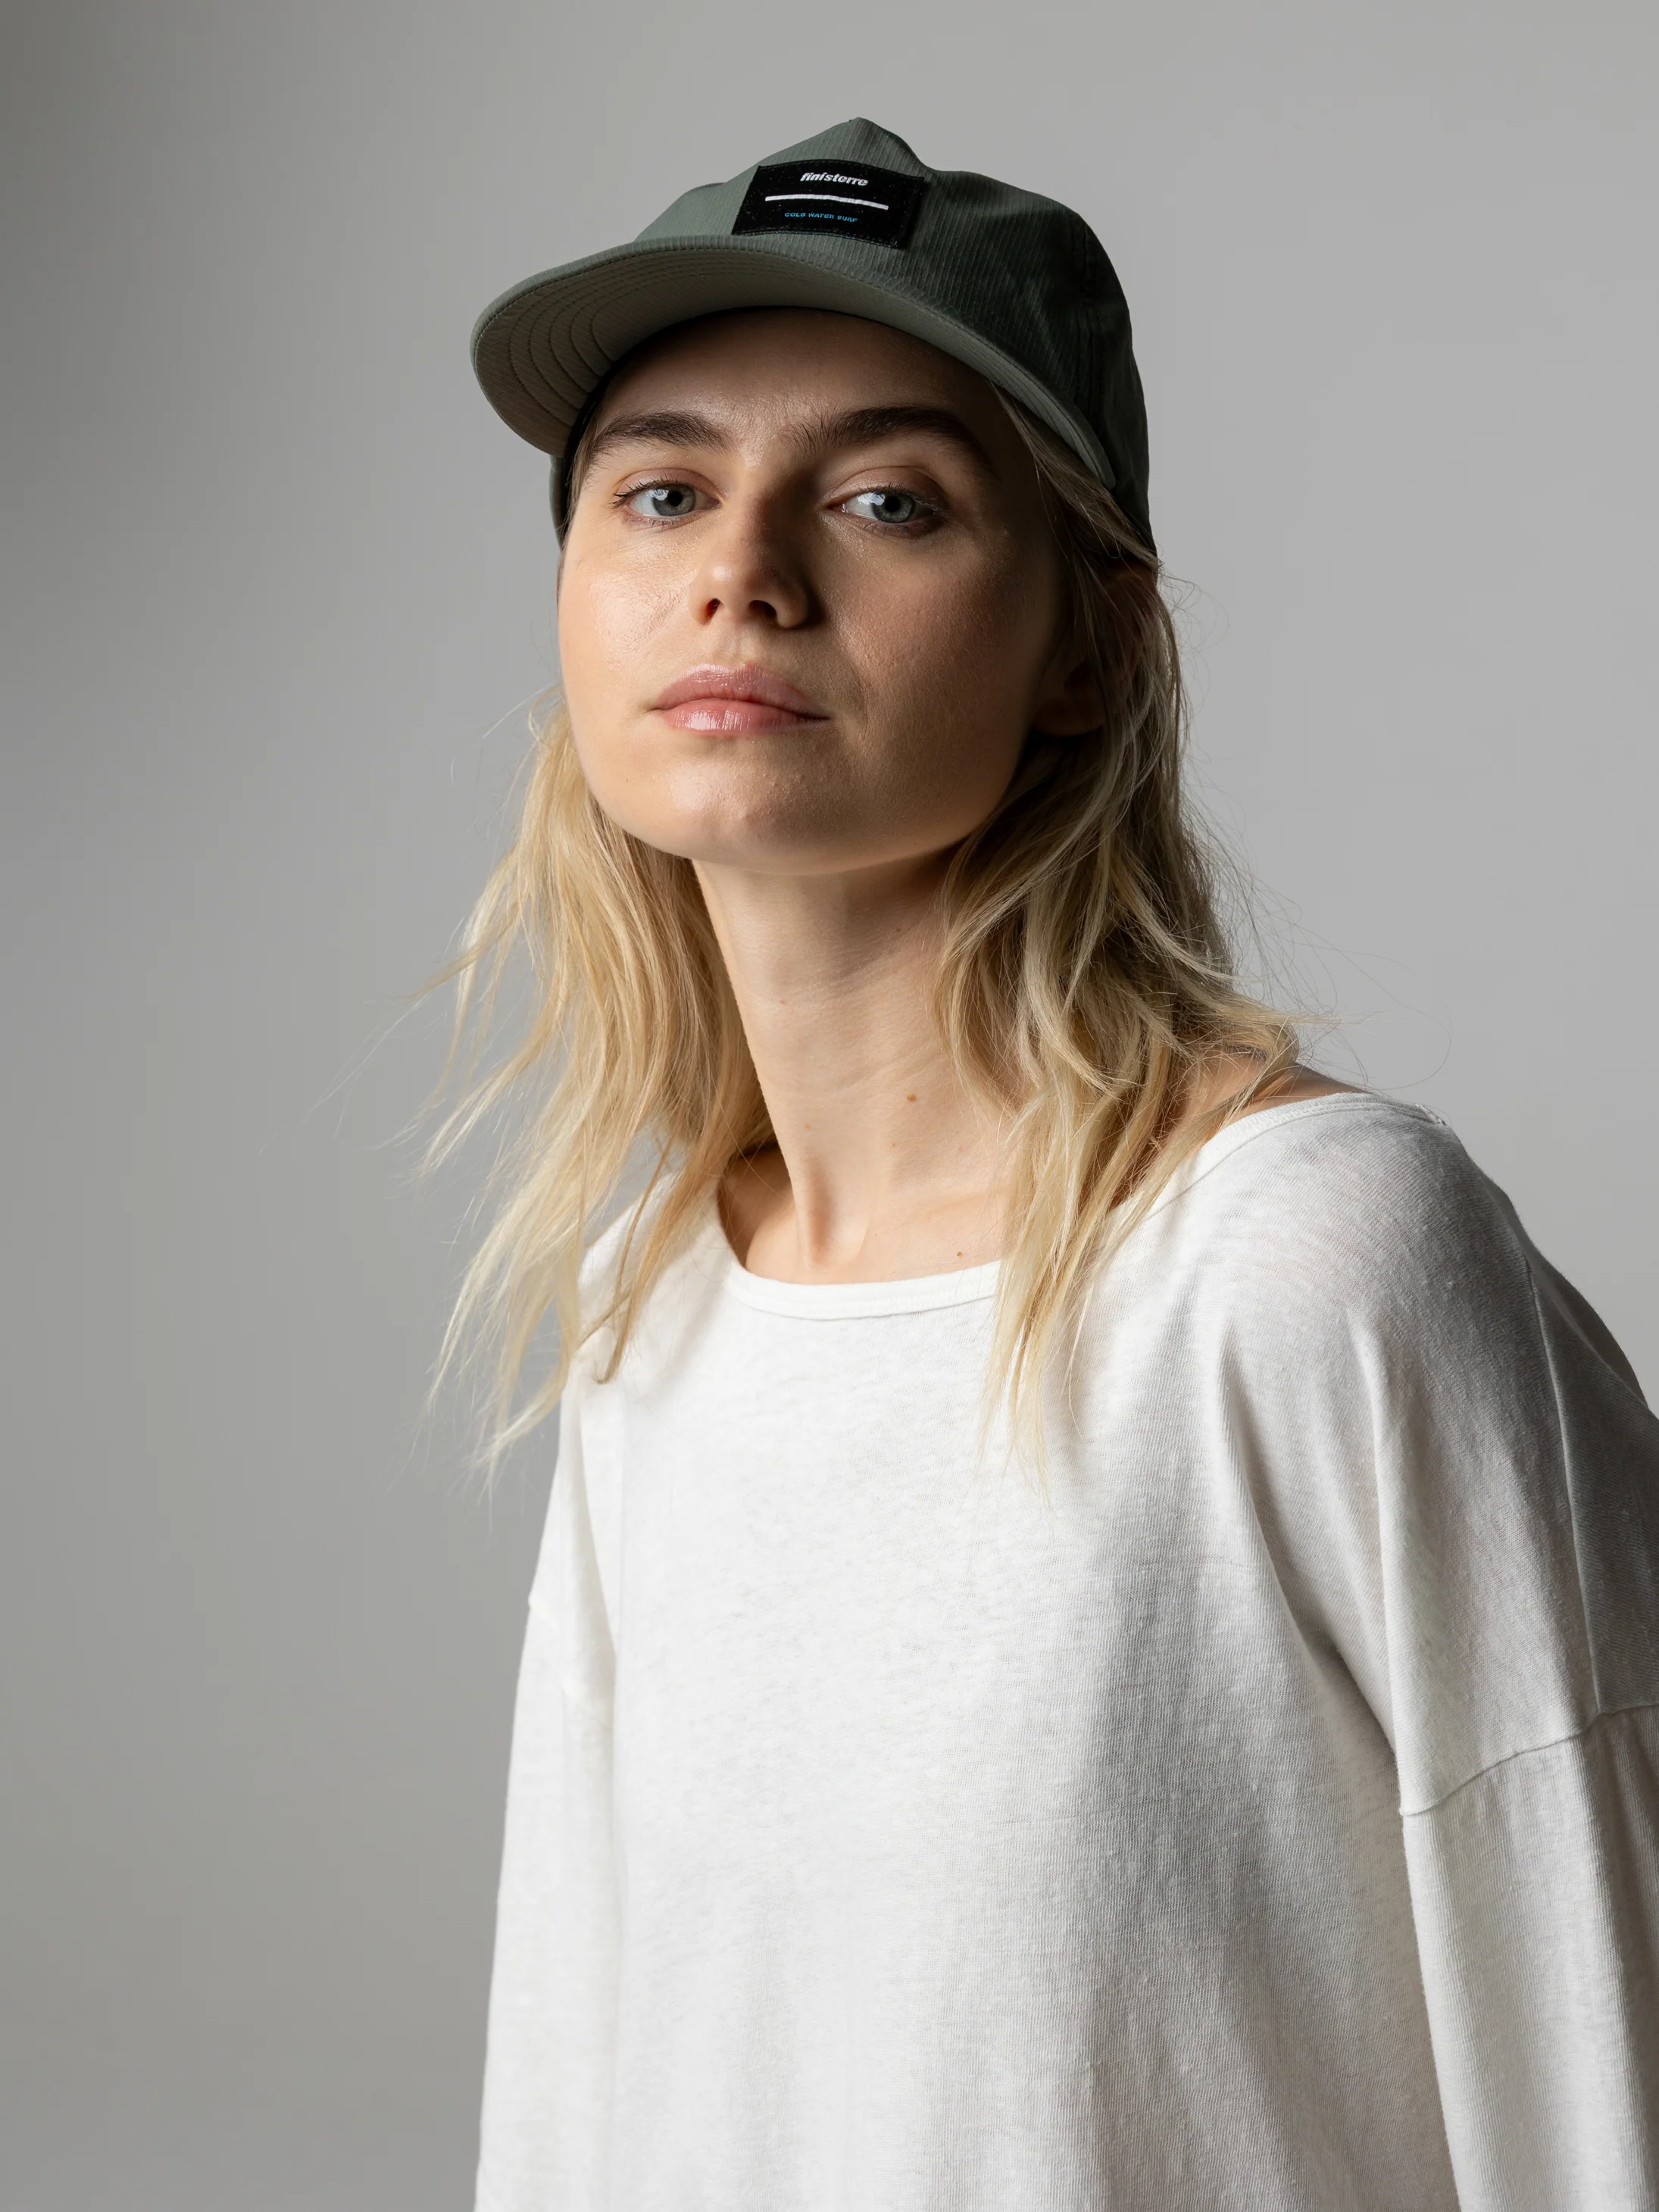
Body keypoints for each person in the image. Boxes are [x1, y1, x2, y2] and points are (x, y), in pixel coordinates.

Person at [447, 120, 1659, 2212]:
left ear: (1090, 646)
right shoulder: (664, 1298)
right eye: (659, 491)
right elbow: (580, 2106)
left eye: (887, 500)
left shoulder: (1305, 1260)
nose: (742, 571)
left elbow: (1606, 2060)